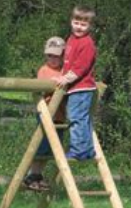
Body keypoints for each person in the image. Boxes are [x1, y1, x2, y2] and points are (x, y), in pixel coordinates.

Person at [54, 5, 98, 161]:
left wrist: (65, 79)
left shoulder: (87, 43)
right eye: (76, 22)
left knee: (76, 118)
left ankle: (79, 150)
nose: (79, 27)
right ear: (71, 21)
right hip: (74, 88)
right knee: (80, 118)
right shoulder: (71, 39)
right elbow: (67, 63)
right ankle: (87, 150)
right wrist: (61, 75)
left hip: (81, 87)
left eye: (84, 24)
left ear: (90, 26)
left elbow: (80, 67)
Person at [24, 36, 67, 192]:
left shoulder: (65, 71)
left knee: (52, 150)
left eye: (57, 56)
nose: (53, 59)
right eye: (50, 55)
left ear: (63, 56)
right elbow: (45, 86)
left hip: (60, 115)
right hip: (46, 113)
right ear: (46, 55)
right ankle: (32, 175)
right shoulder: (44, 70)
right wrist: (58, 82)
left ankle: (38, 175)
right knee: (41, 147)